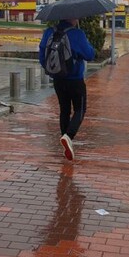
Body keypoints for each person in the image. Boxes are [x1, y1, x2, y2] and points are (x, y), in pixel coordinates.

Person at [39, 18, 95, 161]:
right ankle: (68, 136)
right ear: (72, 17)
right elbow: (90, 55)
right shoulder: (77, 34)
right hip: (75, 80)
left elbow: (42, 56)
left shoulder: (49, 32)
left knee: (64, 110)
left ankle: (65, 141)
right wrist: (86, 43)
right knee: (80, 109)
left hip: (58, 79)